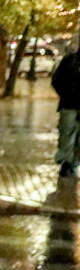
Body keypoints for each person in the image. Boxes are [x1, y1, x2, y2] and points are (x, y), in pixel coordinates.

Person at [52, 47, 80, 176]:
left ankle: (74, 163)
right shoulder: (69, 60)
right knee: (66, 134)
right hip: (69, 105)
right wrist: (66, 94)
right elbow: (56, 80)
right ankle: (66, 163)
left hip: (69, 103)